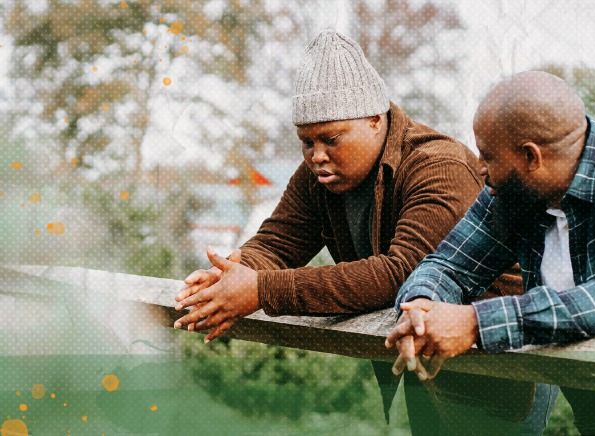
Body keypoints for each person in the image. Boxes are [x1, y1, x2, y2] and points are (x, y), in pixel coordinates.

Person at [173, 29, 540, 435]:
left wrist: (262, 290)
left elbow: (403, 274)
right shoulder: (319, 176)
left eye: (331, 138)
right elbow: (278, 243)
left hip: (501, 365)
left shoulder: (439, 166)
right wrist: (232, 273)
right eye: (305, 141)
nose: (316, 155)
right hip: (424, 358)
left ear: (374, 119)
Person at [387, 70, 595, 435]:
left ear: (530, 156)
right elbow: (447, 265)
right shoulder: (515, 194)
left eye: (487, 155)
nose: (480, 168)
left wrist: (476, 323)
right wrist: (421, 308)